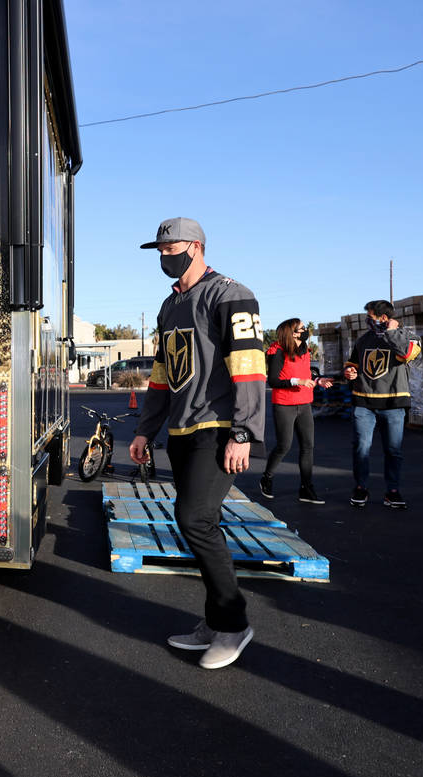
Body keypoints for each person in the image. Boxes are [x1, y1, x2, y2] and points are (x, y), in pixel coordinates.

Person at [129, 218, 265, 670]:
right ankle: (214, 619)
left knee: (196, 519)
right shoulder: (169, 308)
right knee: (194, 523)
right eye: (160, 250)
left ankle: (232, 624)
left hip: (220, 424)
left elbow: (249, 367)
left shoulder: (230, 293)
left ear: (196, 246)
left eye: (171, 248)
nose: (164, 257)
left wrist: (243, 431)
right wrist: (146, 429)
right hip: (183, 430)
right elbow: (162, 376)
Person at [343, 299, 421, 509]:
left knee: (393, 450)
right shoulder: (363, 340)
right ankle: (360, 487)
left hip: (394, 403)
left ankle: (392, 491)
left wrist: (392, 332)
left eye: (371, 316)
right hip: (363, 402)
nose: (368, 320)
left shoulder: (409, 337)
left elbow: (406, 354)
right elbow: (353, 363)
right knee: (361, 447)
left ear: (384, 318)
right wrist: (349, 371)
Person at [259, 318, 333, 504]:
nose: (305, 330)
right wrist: (296, 381)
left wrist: (317, 381)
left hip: (304, 404)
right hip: (284, 404)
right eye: (302, 328)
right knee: (284, 445)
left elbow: (307, 376)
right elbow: (273, 381)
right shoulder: (277, 351)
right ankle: (266, 478)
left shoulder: (305, 351)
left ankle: (306, 489)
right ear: (293, 333)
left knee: (308, 446)